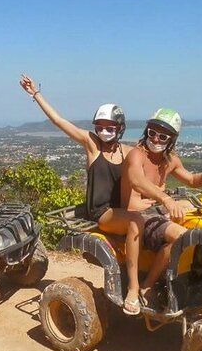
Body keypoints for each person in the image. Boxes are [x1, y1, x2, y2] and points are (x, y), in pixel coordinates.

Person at [20, 74, 146, 315]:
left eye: (110, 127)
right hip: (102, 212)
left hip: (122, 211)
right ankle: (133, 288)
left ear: (120, 128)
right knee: (137, 222)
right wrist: (36, 94)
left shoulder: (129, 152)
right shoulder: (92, 145)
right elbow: (58, 121)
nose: (105, 131)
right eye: (100, 127)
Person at [121, 108, 202, 307]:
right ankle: (146, 286)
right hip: (136, 215)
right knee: (183, 238)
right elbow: (137, 181)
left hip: (156, 212)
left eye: (162, 136)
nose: (156, 139)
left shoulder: (170, 160)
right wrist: (166, 200)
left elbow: (191, 179)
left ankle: (191, 278)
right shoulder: (136, 155)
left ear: (171, 139)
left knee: (201, 220)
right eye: (152, 133)